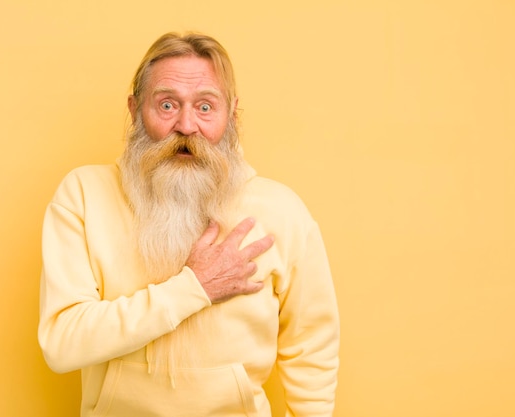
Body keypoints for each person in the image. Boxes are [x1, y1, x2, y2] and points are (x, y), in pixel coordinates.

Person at [38, 32, 339, 417]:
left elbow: (312, 348)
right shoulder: (82, 194)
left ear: (231, 112)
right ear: (134, 109)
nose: (186, 125)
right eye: (166, 105)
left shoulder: (282, 209)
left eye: (205, 107)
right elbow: (62, 345)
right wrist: (194, 288)